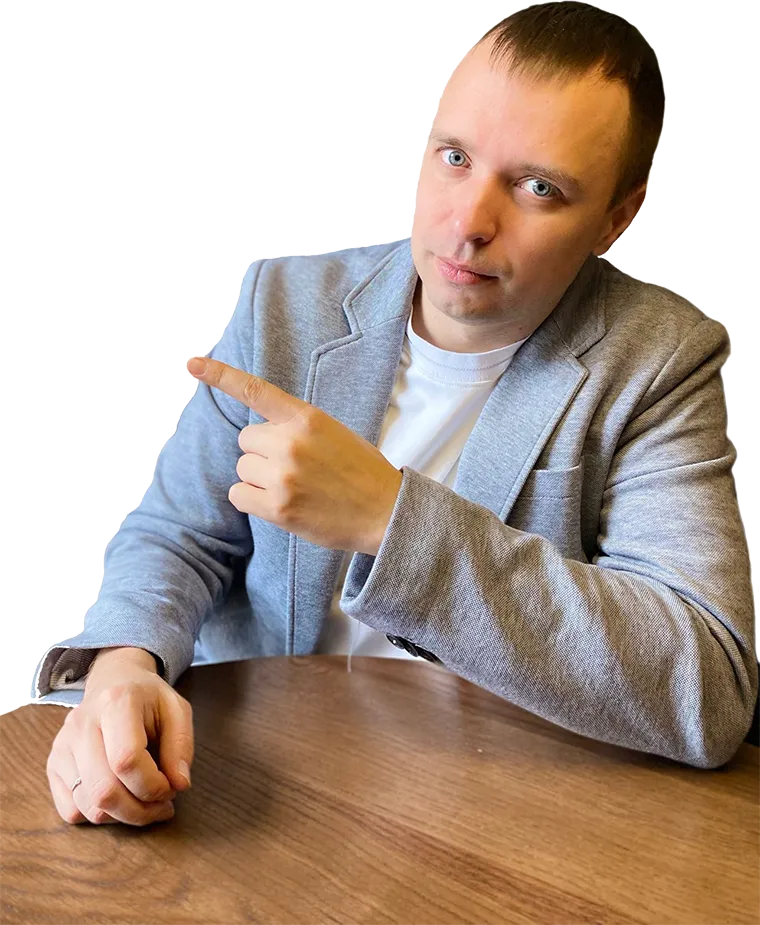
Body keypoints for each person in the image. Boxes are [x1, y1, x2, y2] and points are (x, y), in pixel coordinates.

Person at [36, 2, 757, 827]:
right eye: (456, 158)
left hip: (493, 817)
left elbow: (709, 687)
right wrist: (124, 668)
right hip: (248, 781)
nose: (468, 222)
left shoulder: (659, 360)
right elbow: (178, 536)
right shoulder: (285, 304)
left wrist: (391, 518)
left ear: (617, 218)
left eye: (539, 188)